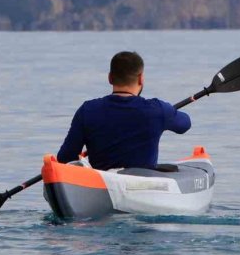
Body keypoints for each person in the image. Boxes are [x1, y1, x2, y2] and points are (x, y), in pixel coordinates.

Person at [56, 51, 191, 170]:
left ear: (110, 78)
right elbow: (185, 124)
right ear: (141, 79)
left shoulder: (87, 110)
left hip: (100, 183)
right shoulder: (158, 110)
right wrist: (167, 113)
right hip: (144, 185)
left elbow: (65, 158)